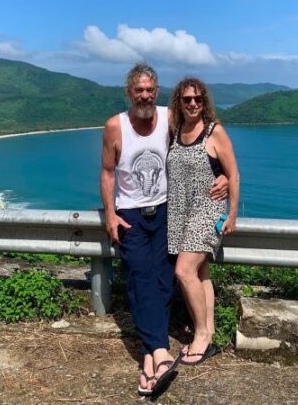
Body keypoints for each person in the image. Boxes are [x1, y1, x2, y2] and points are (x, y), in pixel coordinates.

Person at [100, 63, 227, 396]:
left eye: (150, 90)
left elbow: (198, 147)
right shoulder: (116, 126)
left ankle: (148, 357)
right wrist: (110, 214)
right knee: (141, 277)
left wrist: (223, 174)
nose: (144, 95)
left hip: (168, 212)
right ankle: (159, 350)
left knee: (161, 279)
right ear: (129, 92)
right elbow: (108, 172)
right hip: (132, 215)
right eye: (138, 90)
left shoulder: (169, 120)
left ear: (157, 92)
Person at [167, 77, 240, 366]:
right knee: (201, 274)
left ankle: (200, 335)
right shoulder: (174, 130)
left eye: (198, 98)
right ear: (179, 102)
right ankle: (208, 331)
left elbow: (233, 173)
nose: (193, 103)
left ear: (204, 100)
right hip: (180, 212)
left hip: (208, 210)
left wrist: (232, 213)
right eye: (187, 99)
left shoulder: (214, 131)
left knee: (183, 271)